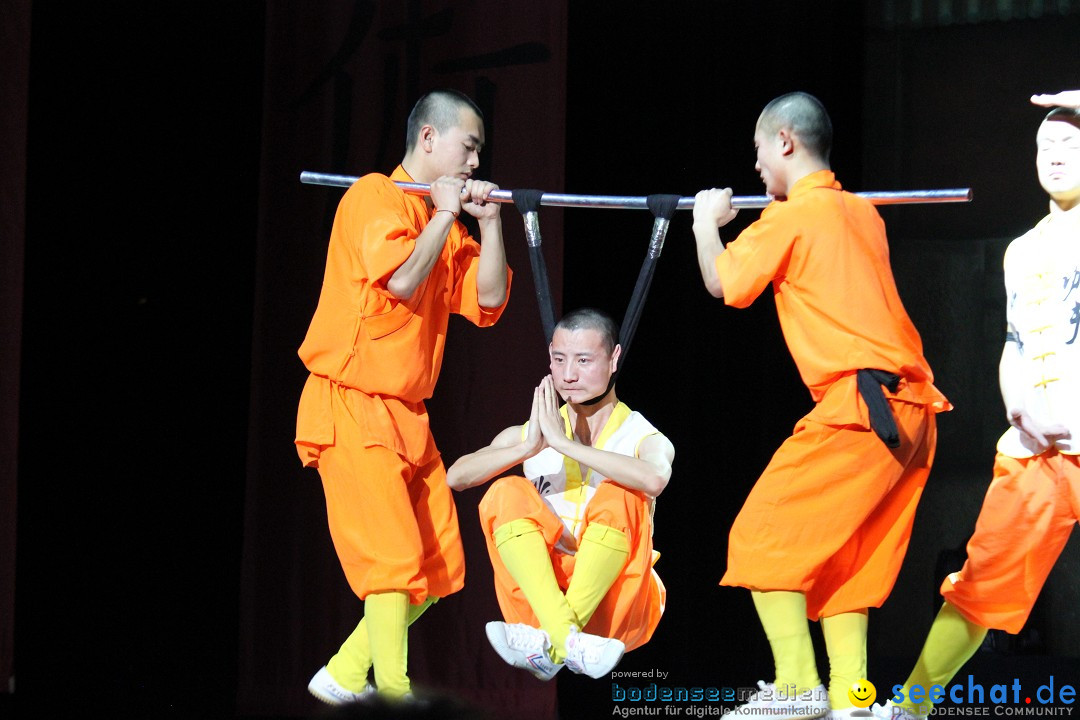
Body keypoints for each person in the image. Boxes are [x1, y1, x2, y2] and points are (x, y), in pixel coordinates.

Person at [691, 92, 952, 720]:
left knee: (758, 537)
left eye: (758, 150)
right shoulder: (862, 214)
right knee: (847, 566)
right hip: (911, 413)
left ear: (784, 141)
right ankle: (851, 700)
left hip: (862, 410)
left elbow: (725, 284)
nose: (755, 167)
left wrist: (705, 222)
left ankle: (796, 687)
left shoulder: (792, 215)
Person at [294, 89, 512, 703]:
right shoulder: (373, 196)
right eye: (468, 147)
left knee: (438, 568)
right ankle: (393, 694)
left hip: (408, 417)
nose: (475, 162)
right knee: (391, 562)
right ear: (428, 140)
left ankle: (342, 673)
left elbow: (489, 301)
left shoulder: (443, 218)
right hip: (351, 401)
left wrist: (488, 222)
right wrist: (445, 216)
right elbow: (401, 277)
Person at [875, 102, 1080, 720]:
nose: (1055, 154)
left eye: (1070, 142)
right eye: (1046, 146)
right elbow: (1013, 343)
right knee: (980, 582)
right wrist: (1019, 410)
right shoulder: (1021, 250)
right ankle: (910, 708)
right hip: (1041, 450)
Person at [446, 308, 674, 681]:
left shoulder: (641, 435)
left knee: (624, 495)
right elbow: (457, 477)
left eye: (584, 360)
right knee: (507, 490)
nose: (568, 375)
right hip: (541, 601)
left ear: (614, 358)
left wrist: (566, 445)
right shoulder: (534, 434)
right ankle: (562, 638)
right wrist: (526, 449)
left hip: (615, 605)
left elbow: (654, 479)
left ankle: (552, 640)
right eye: (559, 359)